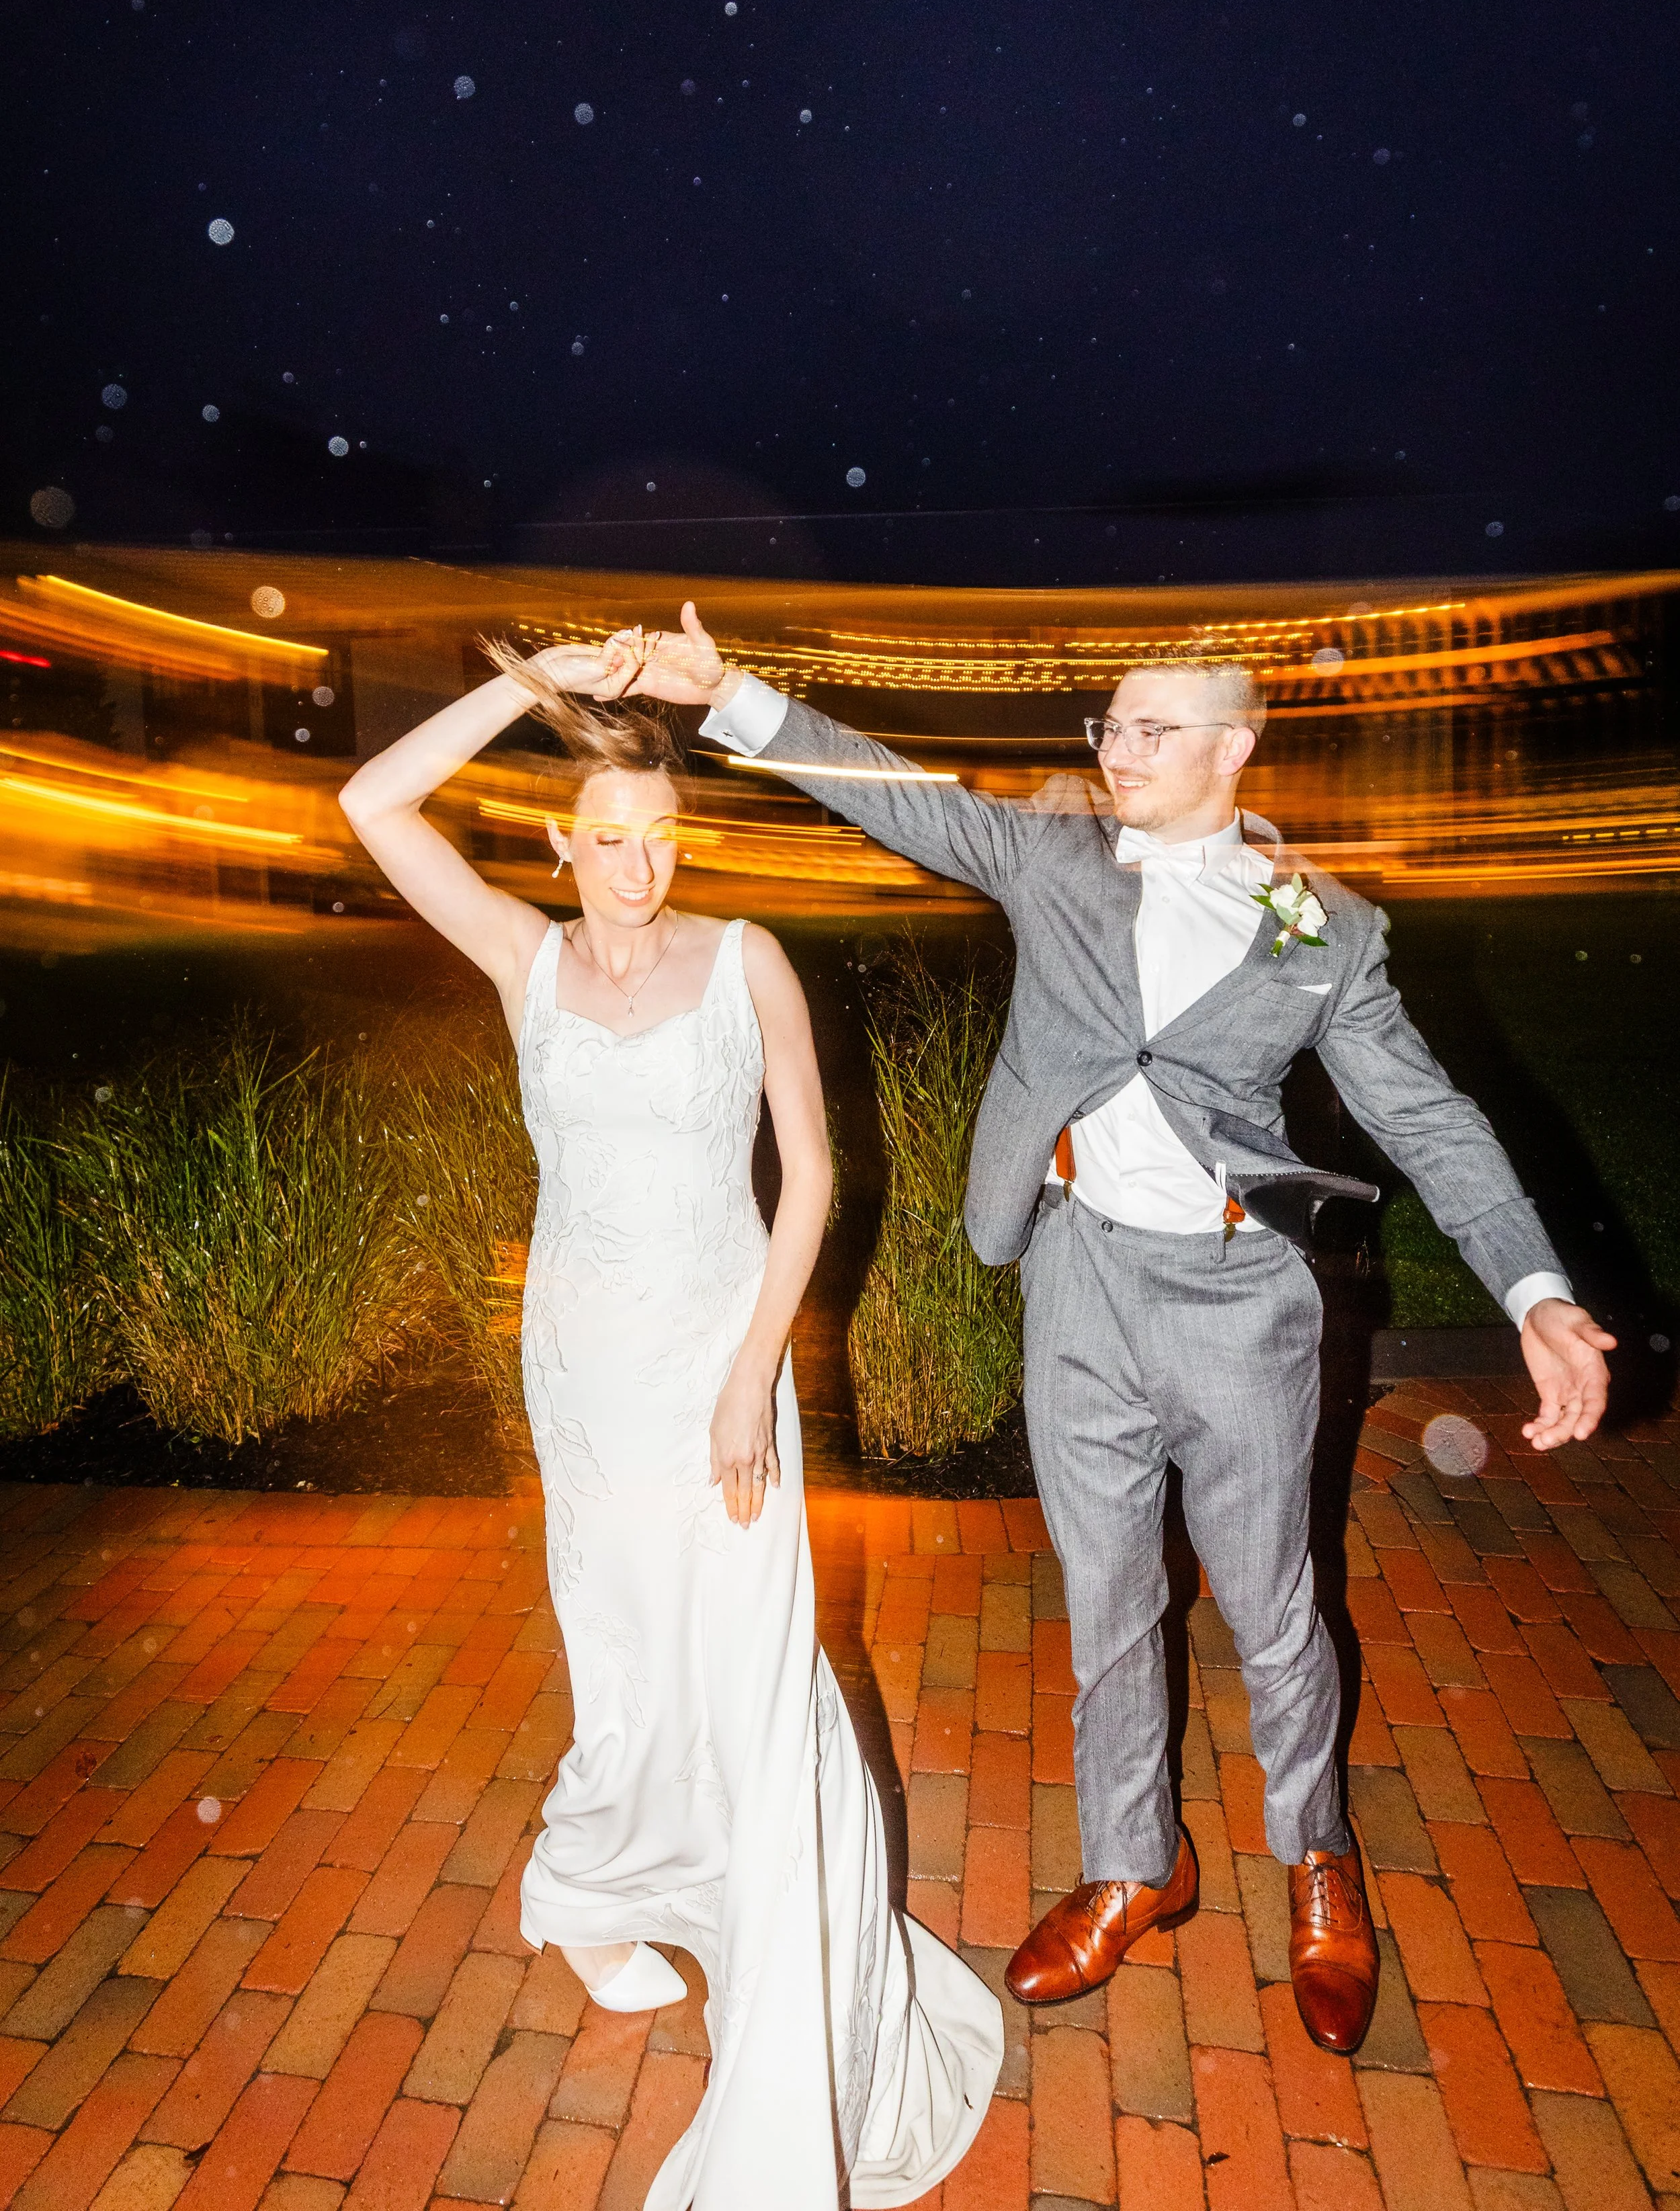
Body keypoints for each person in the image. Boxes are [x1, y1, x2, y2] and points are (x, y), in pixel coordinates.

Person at [628, 602, 1616, 2057]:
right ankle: (1131, 1865)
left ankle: (1316, 1860)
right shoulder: (1054, 857)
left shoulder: (1316, 926)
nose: (1117, 750)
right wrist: (736, 698)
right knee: (1107, 1610)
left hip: (1238, 1300)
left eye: (1153, 729)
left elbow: (1426, 1118)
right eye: (1108, 725)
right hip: (1078, 1278)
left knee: (1273, 1606)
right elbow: (898, 789)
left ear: (1234, 743)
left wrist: (1532, 1292)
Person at [337, 632, 1002, 2209]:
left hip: (718, 1357)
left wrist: (745, 1377)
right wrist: (525, 684)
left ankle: (774, 2000)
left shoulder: (746, 956)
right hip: (579, 1373)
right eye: (607, 838)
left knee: (750, 1671)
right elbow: (371, 800)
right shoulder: (523, 956)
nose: (637, 868)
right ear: (562, 843)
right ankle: (595, 1892)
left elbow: (816, 1180)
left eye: (660, 836)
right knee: (621, 1645)